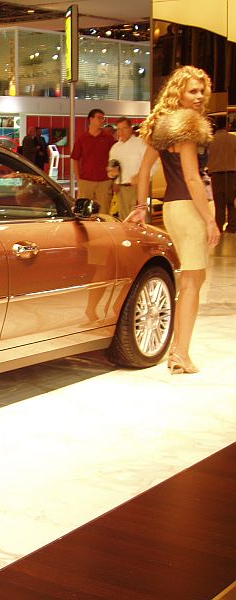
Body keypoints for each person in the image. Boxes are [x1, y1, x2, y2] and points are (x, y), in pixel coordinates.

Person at [128, 65, 220, 374]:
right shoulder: (189, 127)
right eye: (192, 91)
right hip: (190, 208)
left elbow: (144, 172)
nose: (198, 97)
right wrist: (209, 219)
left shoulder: (163, 126)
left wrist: (141, 206)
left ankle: (179, 350)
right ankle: (180, 353)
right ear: (178, 92)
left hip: (174, 208)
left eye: (201, 91)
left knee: (193, 279)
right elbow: (194, 179)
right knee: (193, 280)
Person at [71, 109, 116, 213]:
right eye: (99, 117)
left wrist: (113, 179)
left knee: (104, 210)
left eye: (103, 118)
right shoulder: (82, 139)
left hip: (105, 181)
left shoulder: (108, 138)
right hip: (86, 181)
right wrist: (78, 179)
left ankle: (103, 229)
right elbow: (75, 159)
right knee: (84, 211)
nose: (102, 120)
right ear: (91, 119)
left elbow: (114, 159)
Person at [108, 117, 147, 218]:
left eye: (124, 128)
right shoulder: (115, 148)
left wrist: (140, 176)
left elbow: (152, 165)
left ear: (130, 128)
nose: (121, 132)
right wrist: (112, 175)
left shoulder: (141, 144)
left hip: (138, 188)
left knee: (138, 219)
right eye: (119, 129)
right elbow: (112, 167)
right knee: (124, 219)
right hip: (121, 189)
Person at [207, 115, 236, 232]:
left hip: (216, 176)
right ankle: (232, 227)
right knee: (231, 203)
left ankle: (219, 227)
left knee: (219, 205)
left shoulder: (210, 141)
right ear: (227, 125)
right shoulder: (233, 139)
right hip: (232, 175)